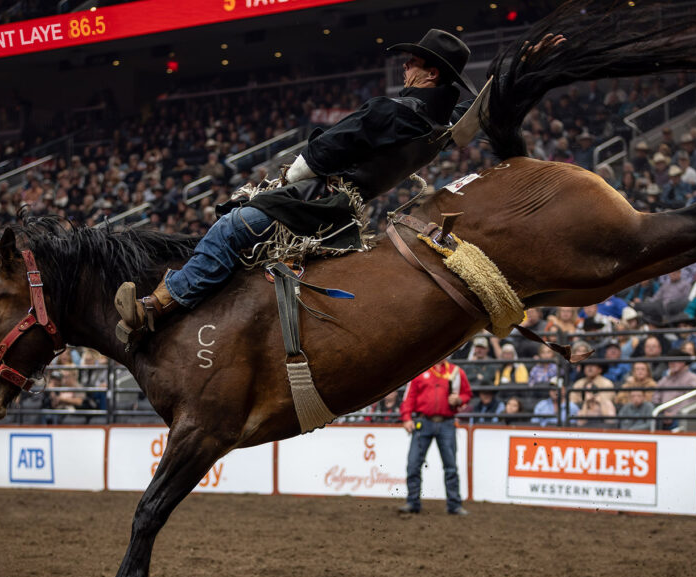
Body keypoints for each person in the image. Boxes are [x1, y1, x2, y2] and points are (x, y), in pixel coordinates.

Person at [113, 29, 496, 342]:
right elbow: (470, 116)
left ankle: (157, 305)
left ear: (431, 76)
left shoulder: (390, 112)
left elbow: (324, 151)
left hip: (317, 204)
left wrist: (282, 182)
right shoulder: (439, 130)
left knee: (231, 227)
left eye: (414, 63)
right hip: (346, 218)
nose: (406, 67)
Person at [399, 359, 472, 515]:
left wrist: (459, 399)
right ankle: (413, 502)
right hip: (424, 421)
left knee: (450, 466)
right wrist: (406, 417)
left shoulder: (455, 372)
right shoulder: (422, 370)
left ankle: (453, 504)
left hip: (445, 422)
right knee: (414, 464)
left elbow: (467, 394)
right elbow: (409, 397)